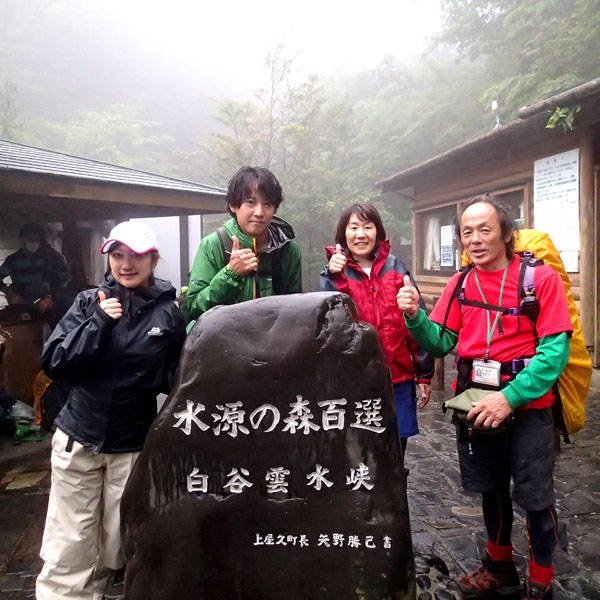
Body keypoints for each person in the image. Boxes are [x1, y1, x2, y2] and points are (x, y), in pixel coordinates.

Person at [397, 195, 572, 600]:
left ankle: (541, 581)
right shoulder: (460, 284)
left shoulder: (538, 279)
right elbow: (440, 342)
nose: (475, 240)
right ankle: (500, 567)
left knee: (535, 497)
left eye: (485, 230)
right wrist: (414, 317)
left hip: (529, 407)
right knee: (491, 489)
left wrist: (509, 398)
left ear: (506, 234)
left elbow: (553, 352)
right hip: (476, 403)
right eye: (466, 233)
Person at [36, 221, 186, 600]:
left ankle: (97, 593)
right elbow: (55, 361)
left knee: (115, 543)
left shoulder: (168, 314)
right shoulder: (89, 302)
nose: (126, 264)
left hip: (131, 443)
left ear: (154, 258)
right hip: (78, 440)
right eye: (118, 255)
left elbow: (178, 378)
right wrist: (99, 323)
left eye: (136, 255)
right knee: (70, 541)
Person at [319, 202, 433, 468]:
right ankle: (363, 508)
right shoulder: (335, 274)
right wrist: (330, 275)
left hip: (398, 378)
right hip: (354, 382)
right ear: (343, 235)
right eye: (354, 227)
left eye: (367, 227)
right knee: (358, 454)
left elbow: (416, 319)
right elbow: (326, 325)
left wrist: (424, 372)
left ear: (378, 232)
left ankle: (394, 506)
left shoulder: (396, 269)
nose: (361, 234)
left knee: (395, 453)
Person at [187, 166, 302, 322]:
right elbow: (194, 308)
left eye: (267, 204)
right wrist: (231, 274)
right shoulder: (213, 245)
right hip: (223, 340)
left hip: (273, 341)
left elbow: (296, 308)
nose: (259, 212)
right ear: (234, 205)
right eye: (250, 202)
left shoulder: (287, 249)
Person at [0, 222, 69, 293]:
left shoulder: (51, 258)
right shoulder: (13, 260)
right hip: (22, 302)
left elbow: (63, 279)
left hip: (47, 301)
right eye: (30, 239)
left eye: (36, 239)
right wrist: (9, 292)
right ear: (22, 240)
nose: (33, 242)